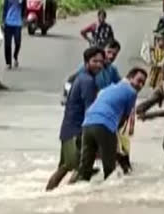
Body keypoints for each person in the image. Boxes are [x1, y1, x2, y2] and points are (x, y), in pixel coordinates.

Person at [45, 47, 105, 191]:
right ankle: (64, 198)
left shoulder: (80, 77)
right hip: (77, 133)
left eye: (101, 62)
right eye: (94, 61)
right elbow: (90, 112)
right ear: (86, 62)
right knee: (81, 170)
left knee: (64, 167)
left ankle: (47, 195)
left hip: (67, 131)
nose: (98, 64)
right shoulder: (88, 82)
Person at [72, 67, 147, 182]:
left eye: (143, 83)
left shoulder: (108, 88)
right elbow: (124, 118)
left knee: (85, 170)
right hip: (105, 125)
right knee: (110, 171)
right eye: (139, 80)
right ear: (130, 78)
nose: (140, 85)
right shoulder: (131, 92)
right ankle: (109, 197)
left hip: (87, 125)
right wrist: (114, 138)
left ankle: (77, 195)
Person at [3, 0, 26, 69]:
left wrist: (23, 19)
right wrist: (3, 21)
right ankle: (8, 62)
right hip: (8, 22)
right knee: (7, 44)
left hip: (17, 23)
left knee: (18, 42)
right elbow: (5, 8)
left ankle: (15, 56)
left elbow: (24, 8)